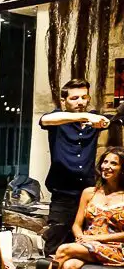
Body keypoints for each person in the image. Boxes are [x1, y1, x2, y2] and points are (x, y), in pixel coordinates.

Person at [49, 147, 124, 269]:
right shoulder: (90, 192)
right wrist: (81, 237)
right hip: (87, 245)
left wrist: (93, 240)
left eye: (114, 163)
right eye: (105, 162)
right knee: (68, 265)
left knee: (63, 249)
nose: (107, 166)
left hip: (115, 249)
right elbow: (76, 224)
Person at [40, 79, 110, 257]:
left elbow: (110, 119)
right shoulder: (58, 118)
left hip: (88, 194)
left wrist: (104, 121)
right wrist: (85, 117)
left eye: (84, 97)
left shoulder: (93, 120)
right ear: (64, 101)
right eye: (75, 98)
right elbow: (45, 119)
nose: (80, 102)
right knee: (54, 248)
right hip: (63, 195)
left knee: (83, 246)